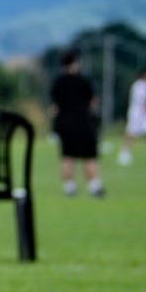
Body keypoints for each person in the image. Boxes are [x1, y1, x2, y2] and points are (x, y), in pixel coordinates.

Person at [49, 49, 104, 198]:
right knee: (89, 156)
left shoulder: (58, 83)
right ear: (75, 63)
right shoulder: (82, 80)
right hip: (84, 123)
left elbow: (55, 106)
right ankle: (94, 186)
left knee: (67, 156)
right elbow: (93, 101)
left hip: (65, 125)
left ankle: (69, 187)